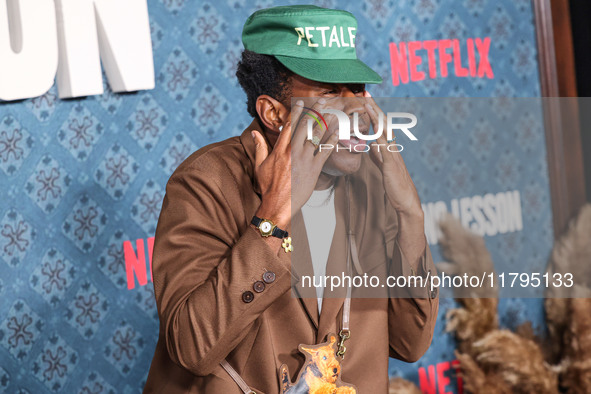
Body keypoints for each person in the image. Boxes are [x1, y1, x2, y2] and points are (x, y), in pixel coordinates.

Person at [144, 5, 438, 393]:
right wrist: (273, 216)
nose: (358, 110)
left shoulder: (371, 184)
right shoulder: (206, 181)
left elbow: (411, 341)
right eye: (330, 92)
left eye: (358, 89)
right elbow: (192, 347)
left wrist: (410, 215)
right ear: (273, 112)